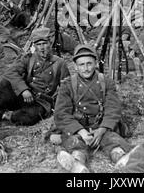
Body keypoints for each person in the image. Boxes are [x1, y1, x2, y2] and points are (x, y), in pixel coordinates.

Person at [54, 44, 132, 173]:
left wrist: (102, 129)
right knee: (75, 144)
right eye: (82, 65)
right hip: (78, 128)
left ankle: (121, 159)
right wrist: (81, 132)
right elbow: (62, 113)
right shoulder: (67, 85)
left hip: (101, 126)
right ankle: (78, 165)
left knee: (113, 141)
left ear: (95, 63)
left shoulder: (106, 82)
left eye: (89, 64)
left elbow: (113, 108)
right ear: (75, 66)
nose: (86, 68)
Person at [0, 27, 69, 126]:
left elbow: (66, 85)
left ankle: (6, 115)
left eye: (45, 44)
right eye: (39, 44)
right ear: (35, 46)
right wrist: (23, 89)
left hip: (40, 101)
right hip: (24, 95)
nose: (42, 48)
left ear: (50, 44)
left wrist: (58, 104)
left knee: (30, 117)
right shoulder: (28, 58)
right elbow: (11, 73)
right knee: (2, 85)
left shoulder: (59, 63)